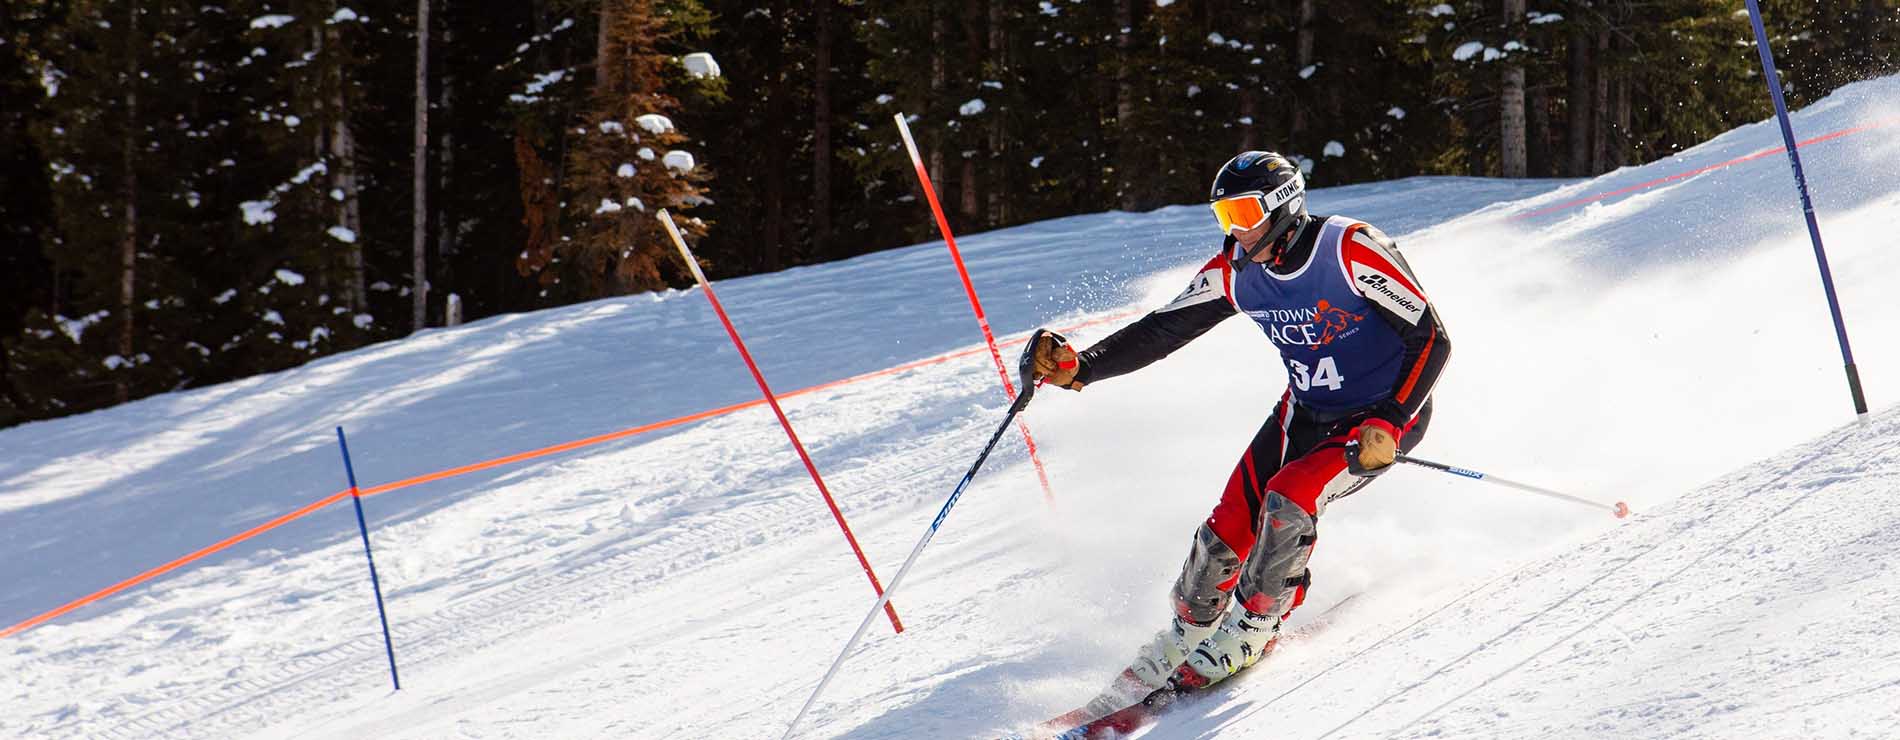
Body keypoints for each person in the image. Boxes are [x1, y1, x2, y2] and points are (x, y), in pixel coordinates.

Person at [1028, 151, 1452, 695]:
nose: (1235, 231)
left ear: (1283, 207)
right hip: (1305, 412)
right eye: (1224, 217)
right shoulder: (1235, 269)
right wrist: (1081, 368)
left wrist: (1391, 420)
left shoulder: (1348, 247)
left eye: (1244, 214)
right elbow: (1162, 330)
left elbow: (1431, 336)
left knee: (1290, 496)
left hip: (1382, 417)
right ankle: (1189, 628)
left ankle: (1256, 624)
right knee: (1230, 522)